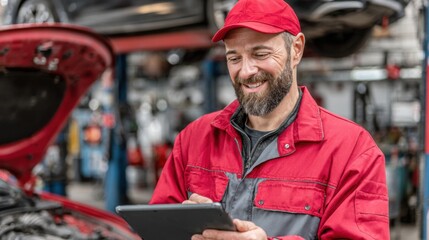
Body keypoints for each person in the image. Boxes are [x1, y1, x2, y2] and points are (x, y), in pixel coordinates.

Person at [150, 0, 389, 239]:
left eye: (260, 54)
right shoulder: (194, 139)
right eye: (234, 58)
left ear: (296, 49)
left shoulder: (352, 150)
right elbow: (155, 229)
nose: (246, 71)